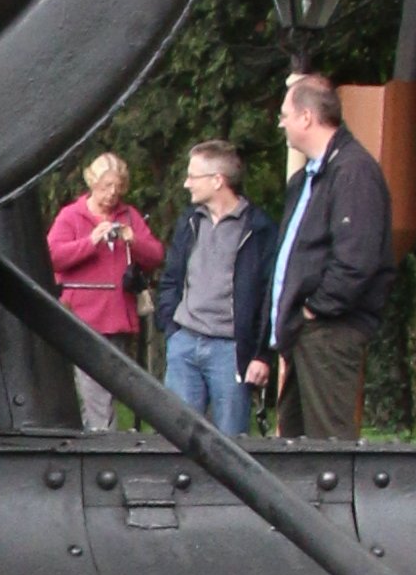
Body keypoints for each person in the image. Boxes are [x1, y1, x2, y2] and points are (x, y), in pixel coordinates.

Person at [263, 71, 393, 439]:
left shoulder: (352, 172)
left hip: (328, 331)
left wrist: (315, 309)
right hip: (307, 332)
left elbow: (357, 258)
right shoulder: (311, 177)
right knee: (295, 442)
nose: (282, 123)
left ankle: (331, 500)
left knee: (327, 447)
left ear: (306, 117)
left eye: (285, 114)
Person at [151, 140, 276, 438]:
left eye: (193, 176)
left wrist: (262, 355)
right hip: (184, 344)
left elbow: (269, 296)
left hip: (231, 351)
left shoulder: (259, 230)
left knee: (230, 446)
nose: (186, 183)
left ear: (217, 180)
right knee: (176, 440)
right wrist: (172, 328)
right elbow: (171, 278)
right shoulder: (190, 222)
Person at [46, 151, 162, 428]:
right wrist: (91, 242)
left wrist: (133, 241)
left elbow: (156, 255)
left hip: (119, 317)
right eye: (106, 186)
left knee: (113, 388)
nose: (112, 193)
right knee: (94, 392)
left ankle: (103, 438)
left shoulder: (129, 215)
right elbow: (52, 256)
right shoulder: (71, 216)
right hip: (83, 317)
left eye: (118, 187)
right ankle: (102, 442)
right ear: (92, 183)